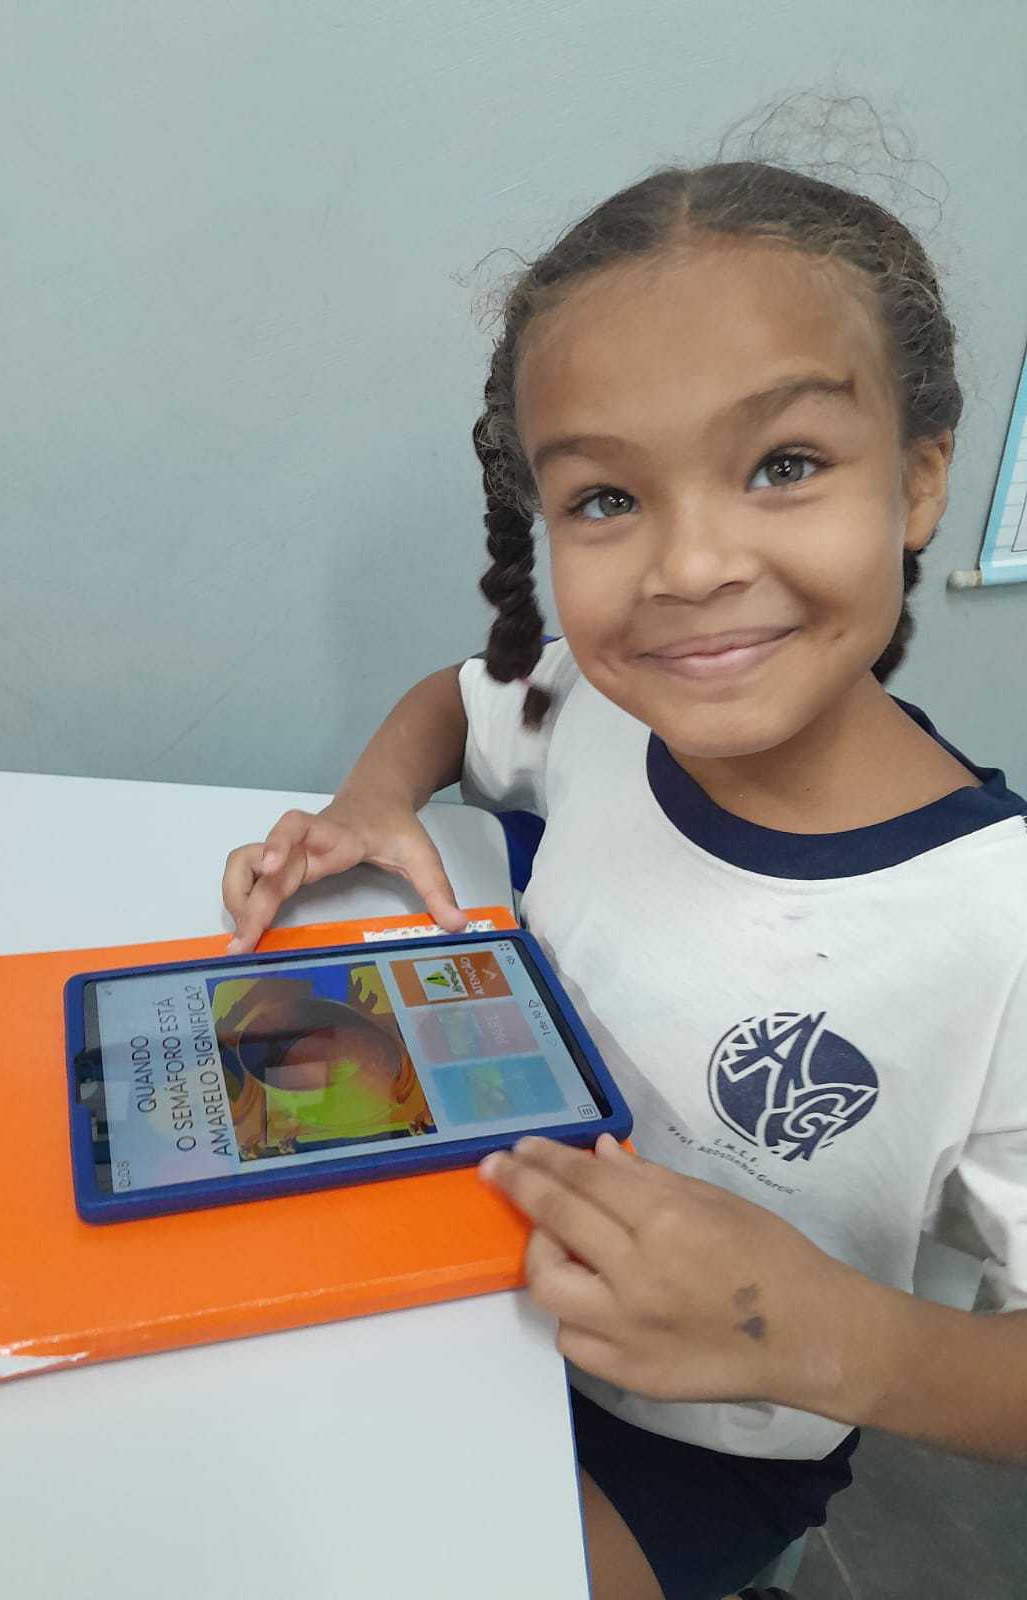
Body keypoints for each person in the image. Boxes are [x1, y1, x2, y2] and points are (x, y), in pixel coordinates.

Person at [221, 158, 1027, 1599]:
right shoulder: (599, 709)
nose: (689, 565)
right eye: (606, 497)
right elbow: (457, 699)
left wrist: (819, 1335)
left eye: (784, 465)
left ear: (918, 479)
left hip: (696, 1437)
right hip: (461, 1258)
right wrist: (373, 800)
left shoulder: (1001, 930)